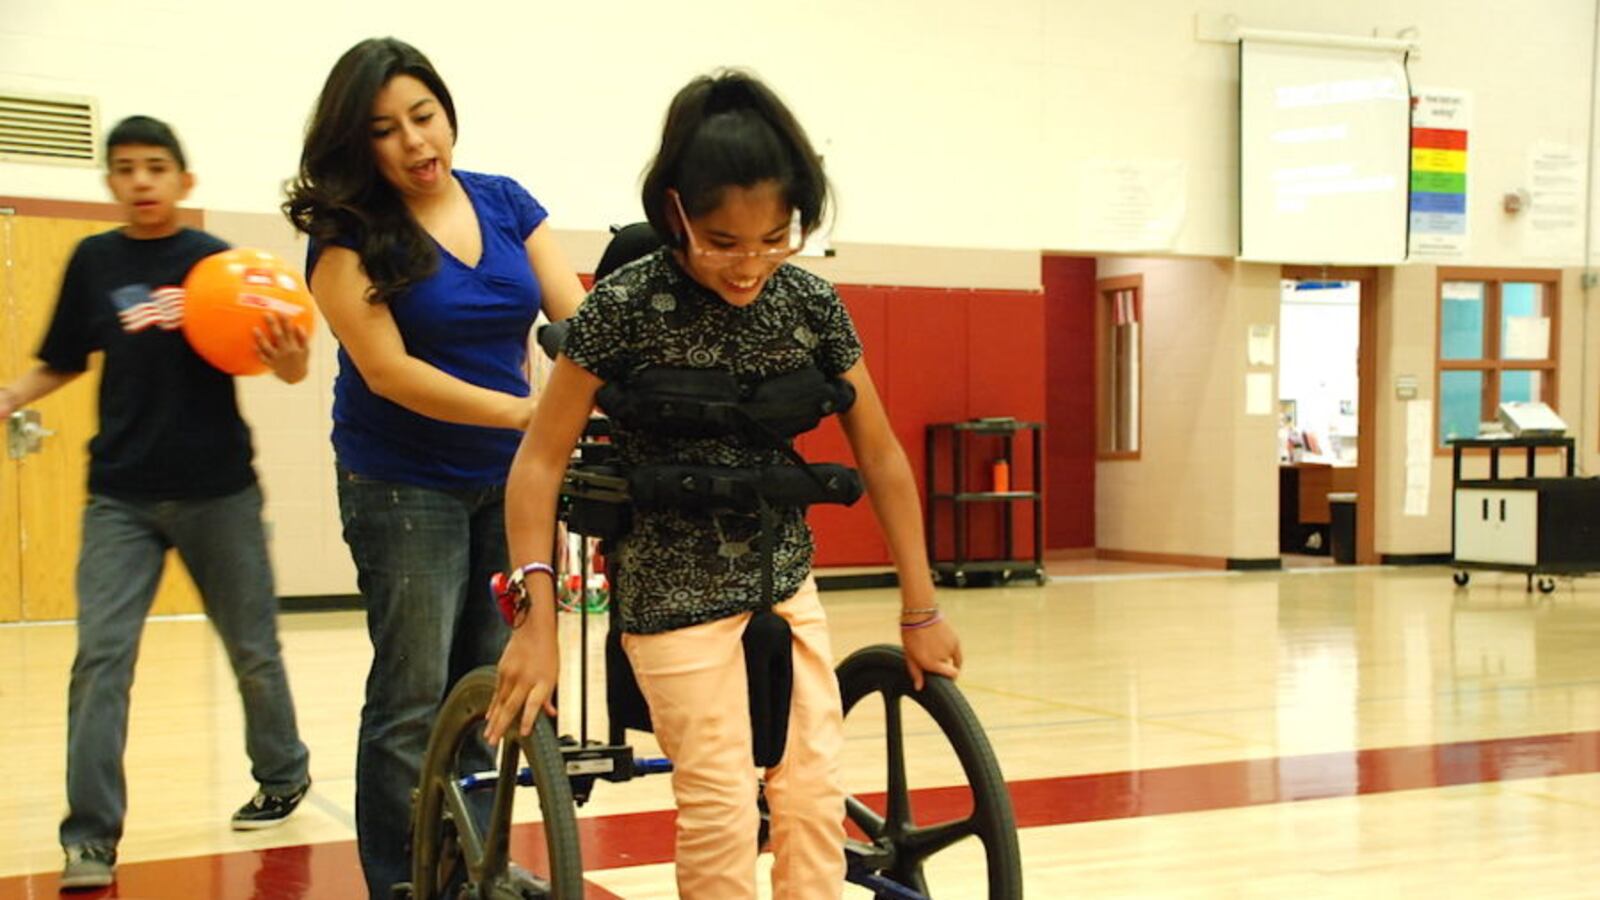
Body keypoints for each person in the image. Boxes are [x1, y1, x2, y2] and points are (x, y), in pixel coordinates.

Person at [486, 70, 963, 899]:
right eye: (722, 242)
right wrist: (537, 616)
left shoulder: (811, 305)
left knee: (813, 802)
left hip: (783, 577)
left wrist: (920, 607)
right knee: (721, 807)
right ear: (674, 213)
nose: (750, 266)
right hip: (670, 589)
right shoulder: (623, 307)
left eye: (775, 238)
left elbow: (882, 457)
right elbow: (539, 462)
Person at [281, 37, 586, 897]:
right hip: (400, 483)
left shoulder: (504, 203)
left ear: (448, 113)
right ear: (359, 144)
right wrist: (533, 414)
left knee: (490, 689)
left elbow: (580, 320)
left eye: (425, 117)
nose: (417, 143)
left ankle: (466, 869)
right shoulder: (348, 235)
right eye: (387, 130)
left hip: (512, 483)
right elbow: (389, 373)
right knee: (412, 698)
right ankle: (402, 882)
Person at [0, 115, 312, 891]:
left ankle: (282, 773)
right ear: (110, 182)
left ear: (184, 181)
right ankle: (90, 837)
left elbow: (290, 371)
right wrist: (9, 397)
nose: (141, 181)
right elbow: (63, 359)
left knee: (253, 651)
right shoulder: (93, 260)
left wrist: (293, 356)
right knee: (101, 662)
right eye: (126, 169)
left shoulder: (218, 263)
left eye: (156, 168)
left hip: (220, 491)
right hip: (120, 498)